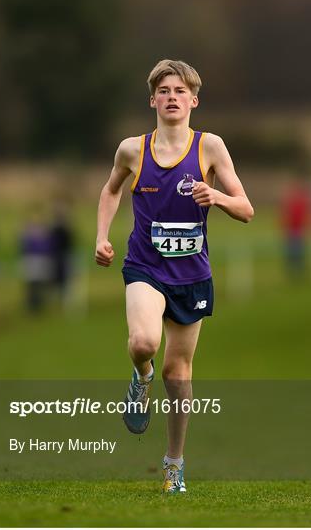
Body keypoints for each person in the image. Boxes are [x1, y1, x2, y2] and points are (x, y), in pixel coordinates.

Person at [95, 60, 254, 493]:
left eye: (179, 91)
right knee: (144, 342)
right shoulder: (132, 149)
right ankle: (139, 376)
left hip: (191, 274)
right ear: (152, 100)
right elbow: (110, 190)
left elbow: (246, 209)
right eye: (163, 90)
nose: (171, 96)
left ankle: (174, 463)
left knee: (178, 373)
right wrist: (101, 236)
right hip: (145, 266)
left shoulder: (210, 148)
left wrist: (217, 196)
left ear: (193, 100)